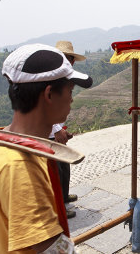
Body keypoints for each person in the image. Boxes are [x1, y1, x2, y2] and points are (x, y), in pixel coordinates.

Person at [0, 44, 92, 253]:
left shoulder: (2, 144)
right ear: (49, 95)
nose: (71, 99)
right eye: (70, 91)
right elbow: (50, 248)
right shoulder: (20, 166)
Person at [51, 40, 87, 219]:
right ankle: (58, 208)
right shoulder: (51, 78)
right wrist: (57, 130)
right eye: (68, 58)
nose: (70, 62)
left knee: (64, 167)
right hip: (49, 134)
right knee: (55, 171)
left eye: (71, 59)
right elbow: (48, 107)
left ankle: (63, 197)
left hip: (55, 131)